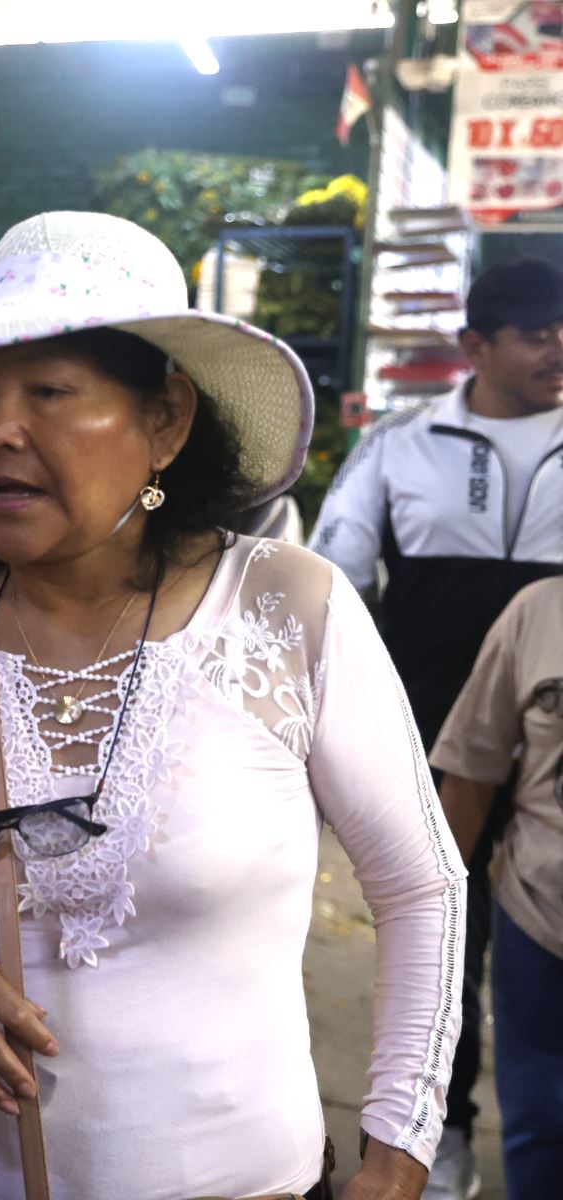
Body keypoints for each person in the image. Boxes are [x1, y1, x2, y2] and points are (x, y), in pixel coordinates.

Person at [0, 211, 464, 1200]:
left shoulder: (288, 608)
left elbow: (423, 889)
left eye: (51, 393)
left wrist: (398, 1148)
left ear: (166, 421)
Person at [309, 256, 563, 1200]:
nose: (557, 348)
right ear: (476, 345)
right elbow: (333, 580)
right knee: (441, 935)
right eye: (536, 332)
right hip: (426, 747)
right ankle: (438, 1132)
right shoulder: (400, 446)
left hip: (550, 757)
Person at [429, 577, 563, 1199]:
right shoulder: (539, 612)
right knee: (538, 1126)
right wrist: (437, 921)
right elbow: (472, 771)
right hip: (539, 922)